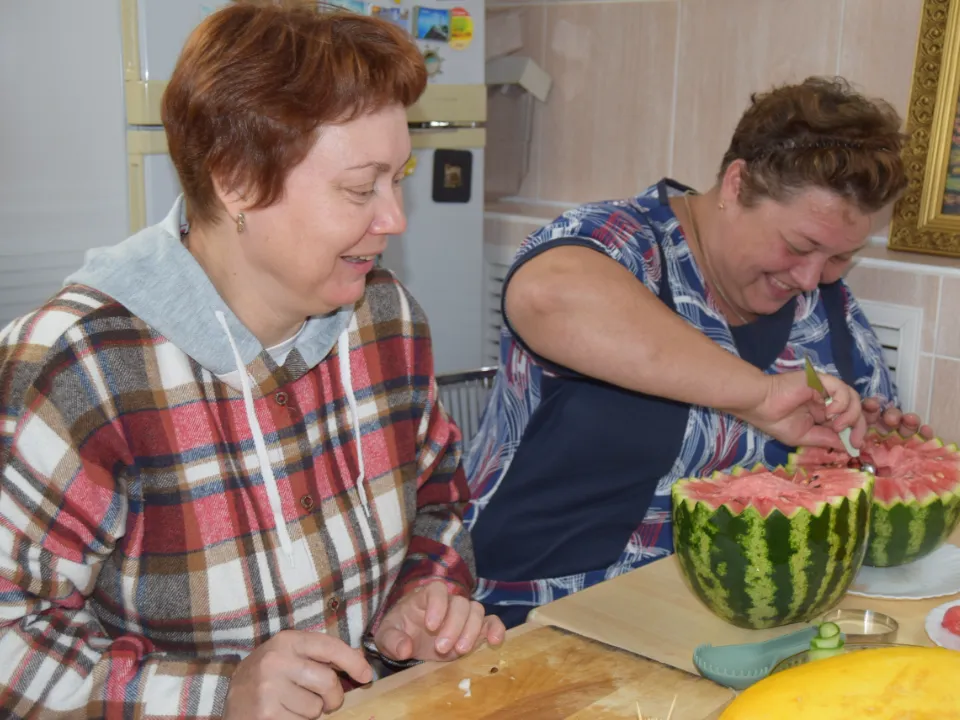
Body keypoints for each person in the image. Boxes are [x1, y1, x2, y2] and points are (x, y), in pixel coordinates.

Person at [0, 5, 504, 719]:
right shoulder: (80, 365)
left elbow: (439, 499)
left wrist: (423, 596)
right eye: (360, 187)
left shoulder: (386, 317)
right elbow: (10, 640)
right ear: (236, 181)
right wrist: (218, 696)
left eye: (399, 178)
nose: (394, 218)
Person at [464, 76, 935, 630]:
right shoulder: (625, 243)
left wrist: (865, 445)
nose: (811, 279)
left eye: (839, 258)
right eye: (799, 245)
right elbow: (547, 296)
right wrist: (758, 395)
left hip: (721, 621)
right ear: (737, 184)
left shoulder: (827, 311)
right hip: (528, 611)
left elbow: (851, 487)